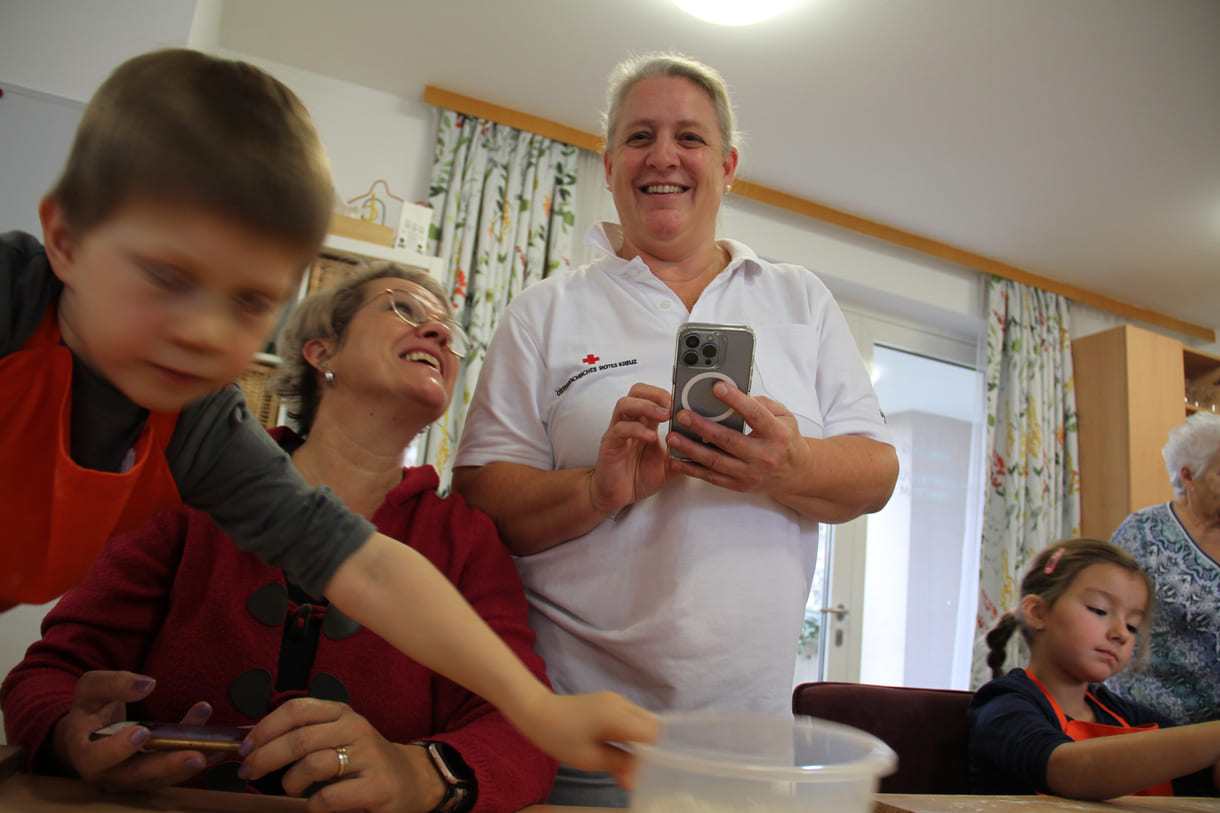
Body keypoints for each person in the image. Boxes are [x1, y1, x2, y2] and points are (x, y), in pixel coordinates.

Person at [0, 47, 655, 781]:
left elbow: (366, 570)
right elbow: (50, 675)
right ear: (63, 238)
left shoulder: (197, 428)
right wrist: (63, 728)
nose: (205, 333)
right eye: (167, 276)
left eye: (250, 301)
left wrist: (532, 717)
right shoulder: (19, 309)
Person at [451, 52, 898, 805]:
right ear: (609, 165)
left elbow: (876, 474)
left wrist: (786, 465)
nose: (663, 156)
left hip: (746, 741)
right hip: (572, 728)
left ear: (726, 166)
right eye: (639, 137)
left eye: (688, 138)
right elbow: (479, 504)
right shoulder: (545, 309)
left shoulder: (800, 298)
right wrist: (598, 488)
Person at [2, 264, 558, 813]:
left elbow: (526, 730)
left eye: (451, 333)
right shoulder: (187, 493)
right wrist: (69, 738)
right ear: (322, 352)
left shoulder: (466, 538)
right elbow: (49, 677)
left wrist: (419, 772)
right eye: (403, 309)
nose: (439, 334)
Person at [968, 539, 1220, 799]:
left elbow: (1205, 773)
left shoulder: (1130, 717)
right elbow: (1069, 771)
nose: (1121, 633)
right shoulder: (1003, 704)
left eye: (1133, 625)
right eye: (1099, 610)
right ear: (1038, 612)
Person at [1106, 412, 1220, 725]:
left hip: (1211, 740)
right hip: (1138, 722)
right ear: (1189, 476)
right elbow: (1101, 621)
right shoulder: (1144, 532)